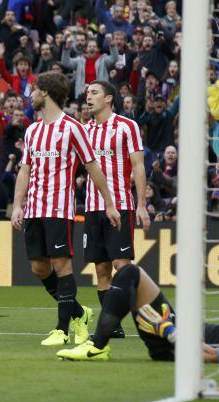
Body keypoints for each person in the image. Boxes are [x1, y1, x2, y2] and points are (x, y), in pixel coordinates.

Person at [10, 71, 121, 348]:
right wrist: (17, 205)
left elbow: (92, 166)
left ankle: (62, 329)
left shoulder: (73, 128)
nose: (31, 95)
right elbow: (25, 169)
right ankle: (80, 313)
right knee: (38, 268)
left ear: (45, 92)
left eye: (33, 90)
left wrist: (109, 203)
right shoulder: (33, 130)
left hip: (59, 208)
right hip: (34, 208)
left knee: (61, 265)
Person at [57, 264, 219, 363]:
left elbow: (212, 354)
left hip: (173, 341)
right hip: (177, 328)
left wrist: (167, 329)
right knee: (128, 273)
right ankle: (98, 343)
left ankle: (97, 345)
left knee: (129, 274)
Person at [83, 80, 150, 339]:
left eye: (94, 92)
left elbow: (138, 166)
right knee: (101, 269)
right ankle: (114, 325)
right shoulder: (85, 130)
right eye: (87, 93)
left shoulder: (126, 126)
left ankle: (146, 321)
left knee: (122, 265)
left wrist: (142, 204)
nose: (88, 97)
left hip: (120, 205)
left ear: (109, 98)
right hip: (92, 207)